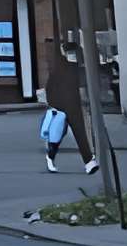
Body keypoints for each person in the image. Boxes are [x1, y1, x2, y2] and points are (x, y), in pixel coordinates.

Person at [41, 37, 98, 175]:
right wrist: (53, 105)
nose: (72, 56)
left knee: (80, 133)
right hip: (61, 106)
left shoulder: (77, 68)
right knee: (59, 133)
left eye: (74, 53)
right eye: (70, 53)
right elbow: (50, 86)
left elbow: (83, 85)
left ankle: (89, 162)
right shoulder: (61, 66)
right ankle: (51, 156)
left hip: (74, 105)